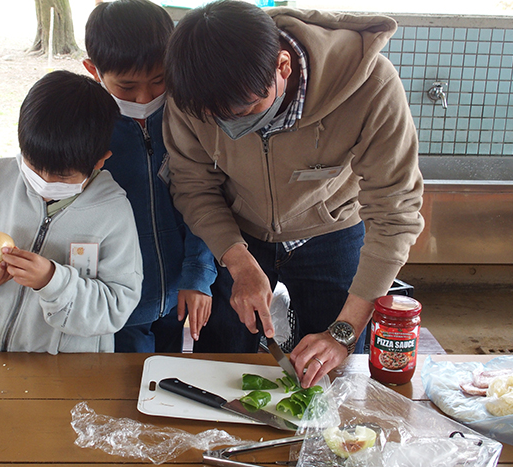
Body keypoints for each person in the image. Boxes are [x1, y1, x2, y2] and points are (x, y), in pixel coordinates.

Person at [163, 1, 424, 385]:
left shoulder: (370, 85)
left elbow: (395, 214)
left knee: (334, 371)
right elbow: (192, 184)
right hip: (239, 230)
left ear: (282, 66)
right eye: (214, 120)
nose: (232, 129)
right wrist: (237, 260)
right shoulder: (191, 90)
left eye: (247, 110)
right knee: (222, 361)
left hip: (332, 228)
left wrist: (344, 331)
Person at [0, 70, 143, 353]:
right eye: (32, 167)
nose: (44, 182)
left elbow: (116, 305)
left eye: (62, 178)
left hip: (68, 366)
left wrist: (53, 282)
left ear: (100, 161)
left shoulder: (112, 211)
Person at [83, 0, 217, 353]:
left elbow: (208, 201)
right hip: (115, 303)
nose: (144, 97)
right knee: (125, 389)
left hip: (180, 293)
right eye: (126, 87)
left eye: (159, 81)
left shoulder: (190, 119)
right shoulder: (85, 131)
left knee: (168, 380)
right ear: (93, 71)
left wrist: (198, 273)